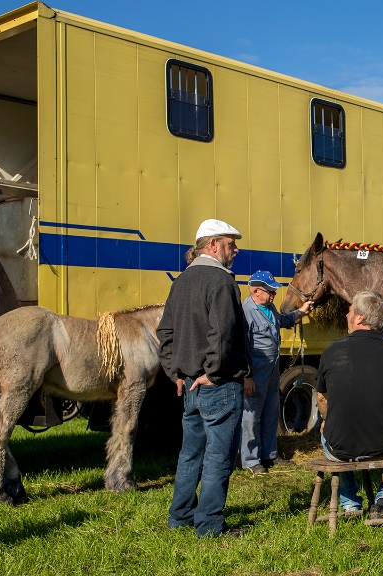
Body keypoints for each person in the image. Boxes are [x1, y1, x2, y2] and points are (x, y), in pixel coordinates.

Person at [157, 219, 252, 538]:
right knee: (218, 456)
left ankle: (181, 515)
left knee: (190, 453)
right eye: (231, 243)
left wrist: (177, 372)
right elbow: (222, 334)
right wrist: (212, 373)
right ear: (213, 245)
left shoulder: (181, 281)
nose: (236, 249)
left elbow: (165, 332)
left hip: (189, 385)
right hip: (219, 384)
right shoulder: (222, 282)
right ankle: (209, 525)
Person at [316, 290, 383, 523]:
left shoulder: (332, 351)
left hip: (337, 446)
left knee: (332, 436)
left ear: (360, 318)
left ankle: (350, 503)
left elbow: (322, 399)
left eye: (350, 310)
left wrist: (327, 419)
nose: (346, 314)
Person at [240, 270, 313, 475]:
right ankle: (251, 461)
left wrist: (302, 312)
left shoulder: (269, 308)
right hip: (255, 372)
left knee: (271, 413)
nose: (273, 295)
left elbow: (284, 321)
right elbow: (241, 347)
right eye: (269, 291)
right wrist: (246, 376)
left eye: (273, 291)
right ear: (255, 291)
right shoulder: (246, 312)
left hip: (272, 370)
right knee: (251, 416)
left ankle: (269, 455)